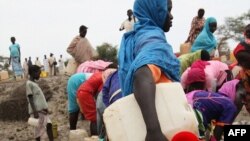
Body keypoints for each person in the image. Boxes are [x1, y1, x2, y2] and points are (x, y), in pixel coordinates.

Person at [118, 0, 180, 140]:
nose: (171, 16)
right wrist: (154, 131)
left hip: (137, 127)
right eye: (167, 10)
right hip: (162, 127)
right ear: (154, 10)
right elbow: (142, 74)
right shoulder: (153, 38)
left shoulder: (137, 36)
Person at [185, 78, 250, 140]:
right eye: (243, 99)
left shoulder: (219, 99)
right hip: (196, 111)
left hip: (187, 100)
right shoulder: (230, 106)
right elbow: (217, 133)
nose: (243, 103)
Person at [76, 68, 116, 135]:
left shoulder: (99, 74)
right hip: (85, 93)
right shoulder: (104, 79)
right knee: (94, 117)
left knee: (93, 117)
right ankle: (95, 136)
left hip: (82, 91)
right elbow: (101, 94)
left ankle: (94, 135)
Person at [26, 65, 53, 141]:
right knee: (38, 130)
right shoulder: (29, 84)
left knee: (49, 125)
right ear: (33, 73)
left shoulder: (34, 83)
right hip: (37, 111)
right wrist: (35, 112)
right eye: (39, 73)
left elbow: (38, 98)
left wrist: (45, 108)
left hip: (42, 111)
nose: (39, 75)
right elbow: (30, 98)